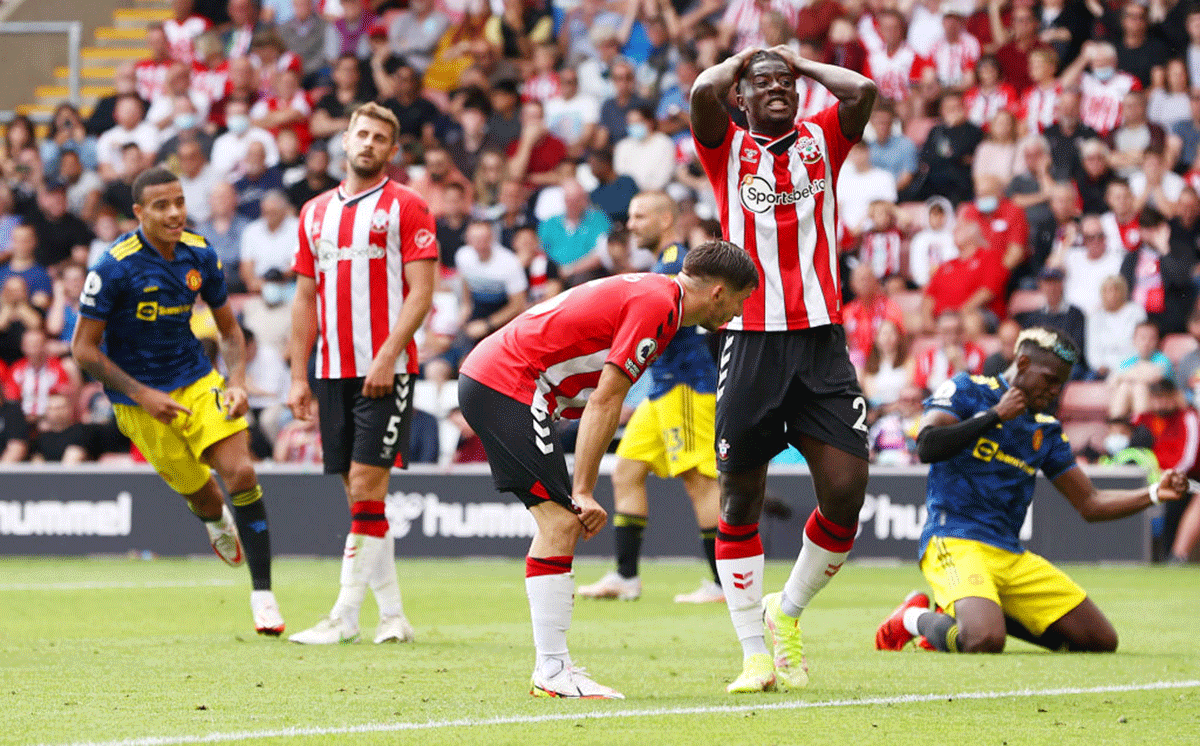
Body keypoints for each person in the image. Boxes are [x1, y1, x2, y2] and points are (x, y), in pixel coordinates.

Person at [458, 239, 758, 699]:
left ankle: (553, 667)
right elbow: (605, 399)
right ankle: (553, 671)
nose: (736, 316)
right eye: (739, 302)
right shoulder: (660, 306)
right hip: (510, 381)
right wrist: (583, 490)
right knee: (562, 521)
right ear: (718, 292)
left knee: (557, 525)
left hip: (502, 378)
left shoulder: (657, 295)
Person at [690, 44, 877, 693]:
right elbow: (699, 94)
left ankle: (786, 612)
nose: (776, 89)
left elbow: (863, 92)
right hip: (751, 341)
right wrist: (745, 58)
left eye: (784, 83)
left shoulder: (823, 140)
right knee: (738, 496)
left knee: (848, 492)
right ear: (740, 97)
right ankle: (754, 655)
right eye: (760, 83)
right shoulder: (727, 149)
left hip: (821, 342)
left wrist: (799, 64)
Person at [875, 327, 1189, 654]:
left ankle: (977, 611)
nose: (1055, 391)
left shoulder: (1045, 429)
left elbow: (1091, 504)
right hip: (954, 538)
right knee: (984, 640)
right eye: (1050, 379)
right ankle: (913, 617)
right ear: (1023, 363)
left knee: (1099, 640)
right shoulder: (968, 389)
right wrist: (994, 416)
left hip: (1009, 553)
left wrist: (1154, 494)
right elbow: (926, 445)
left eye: (1062, 384)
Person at [71, 166, 285, 636]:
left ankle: (263, 594)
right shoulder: (113, 266)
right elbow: (82, 349)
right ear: (139, 212)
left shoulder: (200, 254)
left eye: (179, 202)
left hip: (194, 378)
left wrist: (239, 381)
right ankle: (213, 519)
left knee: (241, 471)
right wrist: (143, 395)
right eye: (161, 206)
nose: (174, 213)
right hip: (138, 399)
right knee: (204, 493)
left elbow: (229, 331)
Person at [286, 103, 437, 646]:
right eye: (361, 134)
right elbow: (304, 299)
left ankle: (343, 615)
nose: (368, 143)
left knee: (369, 487)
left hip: (386, 369)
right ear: (345, 141)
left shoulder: (407, 206)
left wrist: (387, 354)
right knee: (359, 497)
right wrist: (298, 376)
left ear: (392, 151)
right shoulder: (313, 213)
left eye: (380, 138)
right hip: (330, 370)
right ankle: (392, 615)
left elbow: (422, 290)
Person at [578, 192, 726, 605]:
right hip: (662, 389)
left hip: (685, 387)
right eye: (630, 215)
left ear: (665, 219)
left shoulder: (677, 262)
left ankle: (723, 583)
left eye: (640, 215)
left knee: (699, 481)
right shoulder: (665, 265)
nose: (632, 223)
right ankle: (626, 577)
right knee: (626, 472)